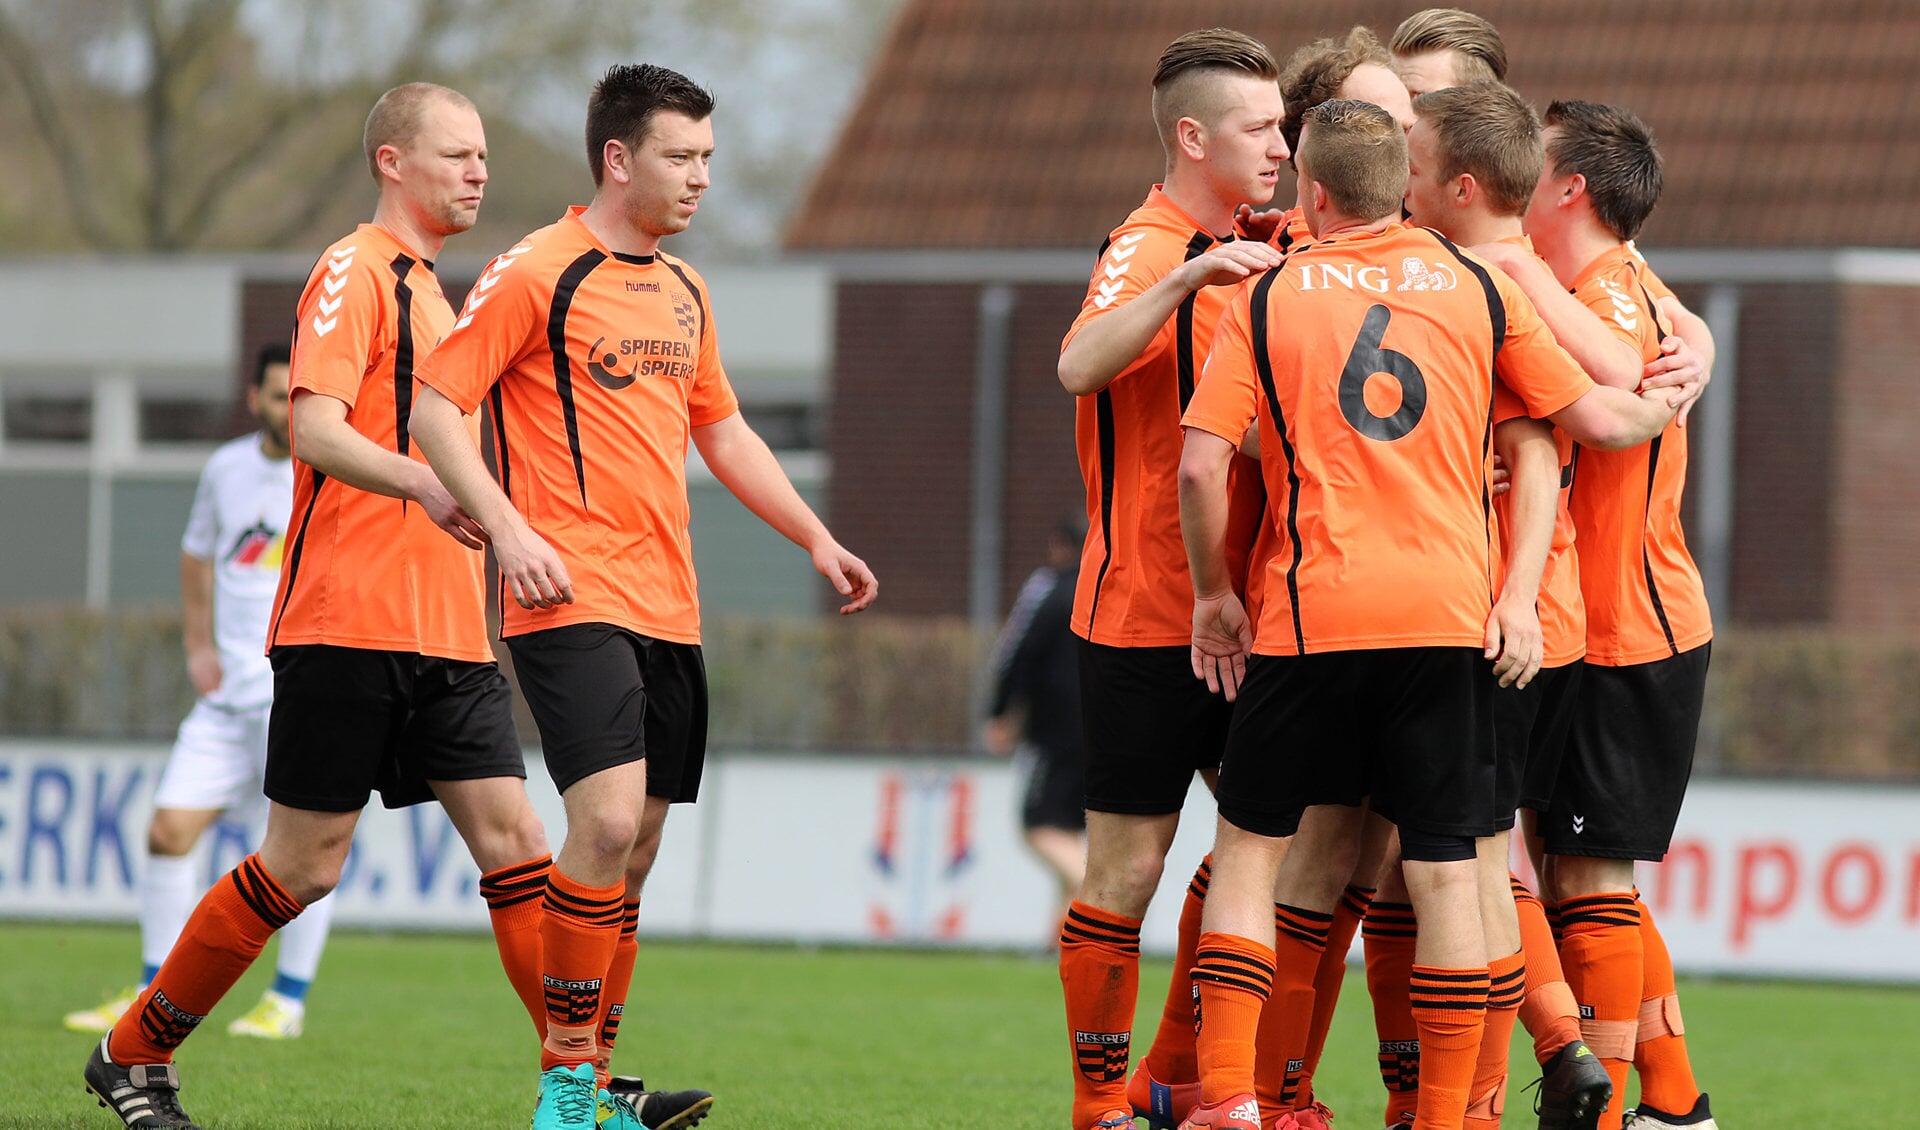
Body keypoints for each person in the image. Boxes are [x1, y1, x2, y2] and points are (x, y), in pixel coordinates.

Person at [1173, 99, 1680, 1130]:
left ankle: (1230, 1097)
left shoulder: (1268, 295)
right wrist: (1670, 393)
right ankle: (1450, 1115)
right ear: (1402, 186)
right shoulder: (1476, 288)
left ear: (1313, 192)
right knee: (1455, 872)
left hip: (1311, 616)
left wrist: (1215, 597)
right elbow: (1586, 419)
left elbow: (1198, 462)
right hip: (1449, 623)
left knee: (1254, 851)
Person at [82, 82, 565, 1130]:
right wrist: (428, 481)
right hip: (347, 621)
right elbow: (314, 426)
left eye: (484, 155)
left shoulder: (441, 293)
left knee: (520, 842)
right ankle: (133, 1050)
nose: (479, 170)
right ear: (393, 162)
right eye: (456, 153)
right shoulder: (354, 268)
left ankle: (584, 1086)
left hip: (448, 629)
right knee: (302, 863)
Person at [406, 63, 875, 1130]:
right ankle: (567, 1084)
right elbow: (437, 409)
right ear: (619, 159)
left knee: (640, 845)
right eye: (682, 156)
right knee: (607, 820)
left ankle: (598, 1083)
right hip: (567, 590)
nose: (701, 177)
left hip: (671, 602)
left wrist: (815, 534)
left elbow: (724, 431)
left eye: (709, 158)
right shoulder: (538, 269)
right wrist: (512, 530)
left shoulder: (686, 287)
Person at [1051, 27, 1287, 1130]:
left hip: (1256, 615)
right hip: (1148, 614)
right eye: (1260, 127)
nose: (1280, 145)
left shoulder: (1266, 236)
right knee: (1131, 865)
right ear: (1194, 138)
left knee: (1275, 848)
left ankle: (1193, 1075)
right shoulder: (1152, 244)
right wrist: (1193, 271)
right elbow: (1077, 362)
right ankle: (1100, 1103)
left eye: (1285, 126)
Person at [1402, 80, 1644, 1130]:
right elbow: (1620, 382)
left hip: (1507, 607)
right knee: (1519, 862)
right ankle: (1602, 1080)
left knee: (1472, 863)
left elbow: (1596, 403)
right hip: (1548, 606)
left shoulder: (1498, 274)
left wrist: (1652, 398)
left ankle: (1533, 1076)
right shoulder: (1548, 273)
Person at [1480, 99, 1721, 1130]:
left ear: (1569, 185)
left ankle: (1616, 1103)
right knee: (1572, 863)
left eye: (1529, 161)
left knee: (1586, 873)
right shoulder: (1624, 286)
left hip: (1630, 625)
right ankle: (1670, 1099)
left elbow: (1624, 378)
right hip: (1607, 616)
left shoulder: (1608, 297)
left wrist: (1519, 272)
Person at [64, 345, 337, 1043]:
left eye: (296, 395)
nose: (288, 409)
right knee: (167, 832)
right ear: (254, 399)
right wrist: (197, 646)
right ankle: (151, 985)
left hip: (292, 694)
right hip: (224, 700)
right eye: (277, 396)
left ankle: (289, 1000)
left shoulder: (331, 465)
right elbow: (196, 553)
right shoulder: (226, 470)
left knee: (297, 858)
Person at [984, 516, 1090, 931]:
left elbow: (1014, 653)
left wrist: (999, 713)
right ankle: (1061, 940)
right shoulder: (1113, 587)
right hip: (1108, 731)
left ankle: (1092, 892)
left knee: (1040, 826)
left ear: (1060, 546)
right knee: (1071, 828)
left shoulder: (1049, 586)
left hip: (1056, 732)